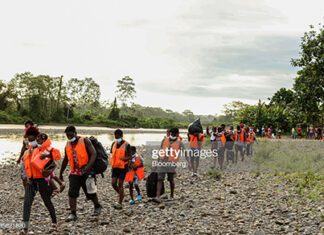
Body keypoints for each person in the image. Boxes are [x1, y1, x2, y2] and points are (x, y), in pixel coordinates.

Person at [20, 127, 59, 234]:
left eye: (33, 139)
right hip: (31, 181)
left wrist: (49, 173)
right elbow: (27, 167)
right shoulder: (27, 152)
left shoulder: (43, 150)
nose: (31, 141)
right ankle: (25, 229)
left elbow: (54, 163)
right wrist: (28, 177)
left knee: (47, 201)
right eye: (29, 139)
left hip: (42, 180)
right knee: (27, 203)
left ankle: (54, 222)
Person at [59, 126, 101, 221]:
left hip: (86, 171)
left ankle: (97, 206)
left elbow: (94, 154)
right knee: (72, 193)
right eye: (67, 136)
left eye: (71, 135)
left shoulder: (85, 141)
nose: (69, 137)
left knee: (90, 191)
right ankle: (73, 213)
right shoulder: (68, 144)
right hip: (74, 172)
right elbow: (66, 159)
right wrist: (61, 172)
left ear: (75, 133)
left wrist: (88, 167)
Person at [155, 127, 184, 202]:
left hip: (171, 164)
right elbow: (160, 150)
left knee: (171, 180)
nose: (172, 135)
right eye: (171, 134)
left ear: (177, 134)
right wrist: (157, 162)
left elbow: (184, 152)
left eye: (174, 134)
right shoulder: (164, 140)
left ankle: (171, 195)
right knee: (160, 179)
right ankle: (158, 196)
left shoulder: (179, 143)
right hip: (162, 162)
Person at [110, 129, 132, 209]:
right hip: (115, 167)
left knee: (120, 184)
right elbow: (112, 154)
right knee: (113, 183)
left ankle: (120, 202)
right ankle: (121, 194)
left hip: (123, 167)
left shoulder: (127, 145)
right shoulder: (113, 144)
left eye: (118, 137)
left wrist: (125, 159)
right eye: (115, 137)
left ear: (121, 136)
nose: (116, 138)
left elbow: (130, 156)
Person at [17, 120, 37, 191]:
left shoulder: (37, 135)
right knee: (23, 176)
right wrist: (19, 158)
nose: (26, 128)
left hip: (33, 158)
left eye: (27, 126)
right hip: (25, 157)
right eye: (25, 127)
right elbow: (23, 146)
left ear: (32, 126)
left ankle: (33, 190)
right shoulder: (25, 136)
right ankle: (26, 192)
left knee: (33, 176)